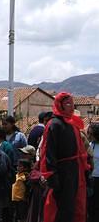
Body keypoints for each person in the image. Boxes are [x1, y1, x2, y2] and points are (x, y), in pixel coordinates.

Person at [40, 92, 90, 222]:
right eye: (68, 103)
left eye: (73, 103)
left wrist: (85, 169)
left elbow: (81, 150)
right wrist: (51, 175)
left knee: (76, 206)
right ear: (60, 105)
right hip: (62, 172)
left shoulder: (73, 124)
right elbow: (47, 151)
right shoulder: (54, 124)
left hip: (75, 171)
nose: (72, 107)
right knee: (62, 209)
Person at [88, 123, 99, 222]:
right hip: (92, 178)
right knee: (91, 204)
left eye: (91, 134)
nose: (89, 136)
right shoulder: (91, 145)